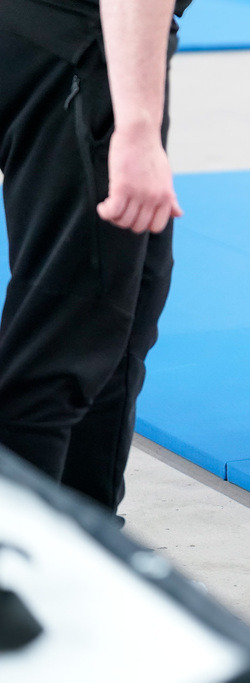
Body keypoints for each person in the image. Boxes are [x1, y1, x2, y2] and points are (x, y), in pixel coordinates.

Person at [0, 0, 189, 514]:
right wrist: (136, 127)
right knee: (69, 334)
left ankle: (87, 537)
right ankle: (25, 570)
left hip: (68, 42)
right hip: (76, 45)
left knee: (128, 310)